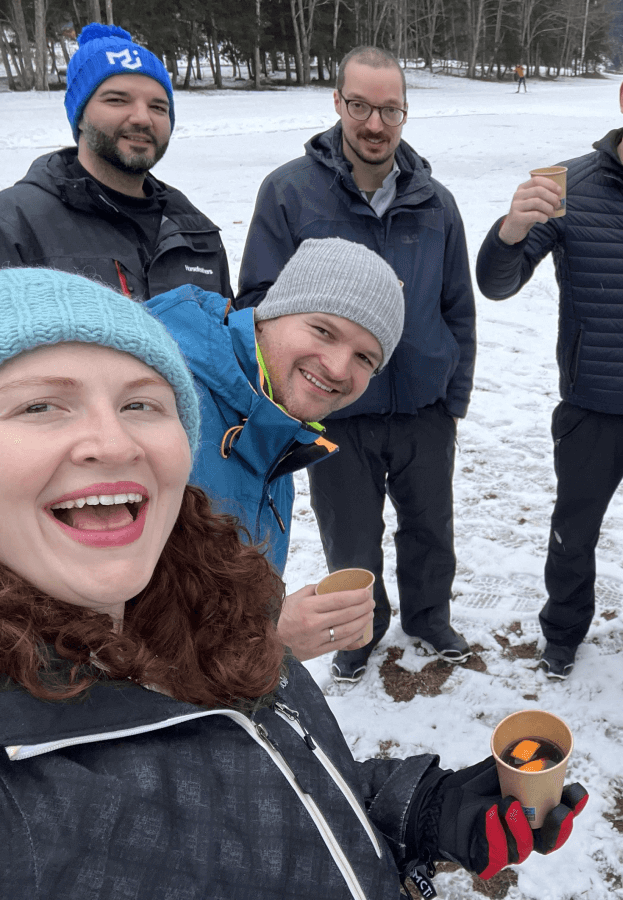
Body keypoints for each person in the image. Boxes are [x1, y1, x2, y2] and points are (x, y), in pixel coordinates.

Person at [0, 267, 586, 899]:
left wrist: (417, 812)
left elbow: (261, 788)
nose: (112, 443)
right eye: (40, 406)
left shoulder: (206, 600)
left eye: (140, 403)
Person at [475, 31, 623, 679]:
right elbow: (497, 282)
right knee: (574, 532)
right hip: (590, 407)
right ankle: (562, 632)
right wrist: (511, 230)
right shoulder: (565, 185)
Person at [239, 45, 477, 683]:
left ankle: (429, 617)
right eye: (361, 106)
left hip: (424, 409)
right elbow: (260, 304)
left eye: (390, 109)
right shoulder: (289, 193)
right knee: (352, 539)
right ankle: (357, 633)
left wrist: (453, 399)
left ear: (405, 112)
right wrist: (290, 406)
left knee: (431, 529)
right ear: (338, 103)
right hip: (334, 412)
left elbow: (459, 307)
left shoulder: (436, 203)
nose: (375, 124)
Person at [148, 236, 404, 663]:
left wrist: (266, 624)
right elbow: (95, 629)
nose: (339, 368)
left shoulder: (270, 416)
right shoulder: (164, 406)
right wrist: (267, 641)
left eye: (365, 358)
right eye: (323, 330)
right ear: (272, 313)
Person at [0, 23, 230, 300]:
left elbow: (228, 338)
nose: (143, 119)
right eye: (117, 100)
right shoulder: (15, 224)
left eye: (158, 107)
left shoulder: (196, 231)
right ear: (80, 116)